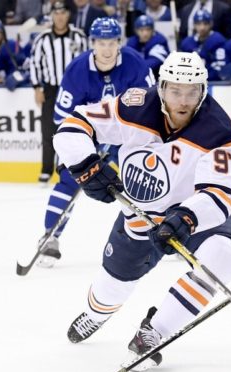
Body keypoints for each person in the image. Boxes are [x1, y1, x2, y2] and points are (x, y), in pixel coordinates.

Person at [54, 51, 231, 372]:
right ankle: (96, 314)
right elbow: (73, 125)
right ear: (161, 86)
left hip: (188, 213)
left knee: (225, 253)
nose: (183, 100)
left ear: (204, 90)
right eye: (174, 90)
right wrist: (86, 165)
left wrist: (187, 218)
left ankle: (154, 332)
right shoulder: (135, 105)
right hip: (139, 214)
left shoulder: (218, 129)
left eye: (192, 91)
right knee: (109, 291)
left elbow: (221, 194)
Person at [36, 17, 155, 268]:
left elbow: (151, 106)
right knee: (69, 179)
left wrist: (120, 138)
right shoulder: (77, 70)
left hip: (127, 135)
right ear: (93, 44)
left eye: (112, 42)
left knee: (147, 178)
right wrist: (88, 143)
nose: (107, 49)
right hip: (88, 135)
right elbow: (62, 117)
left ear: (119, 43)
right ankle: (49, 238)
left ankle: (161, 233)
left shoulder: (135, 64)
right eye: (102, 43)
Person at [29, 1, 87, 185]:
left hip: (75, 89)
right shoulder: (42, 39)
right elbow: (34, 64)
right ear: (51, 15)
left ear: (68, 15)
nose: (60, 16)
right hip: (51, 90)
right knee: (48, 131)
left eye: (63, 12)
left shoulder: (79, 37)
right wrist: (37, 87)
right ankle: (46, 170)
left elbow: (87, 62)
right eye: (56, 13)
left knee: (76, 130)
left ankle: (74, 169)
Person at [179, 9, 226, 81]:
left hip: (212, 81)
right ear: (194, 25)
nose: (202, 28)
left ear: (211, 24)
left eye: (205, 24)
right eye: (199, 24)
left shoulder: (218, 40)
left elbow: (220, 67)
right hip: (191, 83)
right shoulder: (187, 42)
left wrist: (202, 77)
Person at [126, 14, 169, 78]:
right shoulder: (132, 41)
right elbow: (127, 61)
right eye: (141, 30)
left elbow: (153, 64)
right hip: (139, 77)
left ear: (152, 30)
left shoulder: (159, 41)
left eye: (148, 29)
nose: (145, 33)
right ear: (136, 31)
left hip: (158, 78)